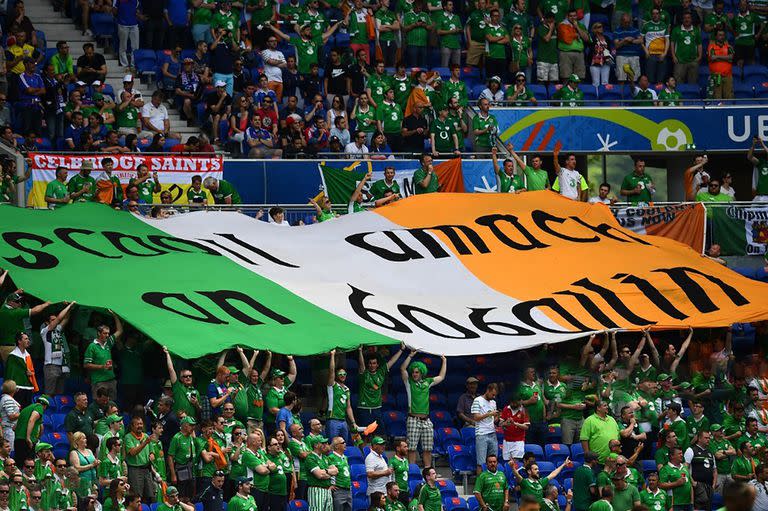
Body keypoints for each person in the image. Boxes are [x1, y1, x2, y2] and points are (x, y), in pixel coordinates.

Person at [400, 349, 447, 467]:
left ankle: (427, 470)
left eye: (416, 372)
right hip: (413, 419)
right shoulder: (409, 383)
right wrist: (410, 355)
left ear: (421, 372)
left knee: (428, 448)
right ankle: (412, 470)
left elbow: (441, 377)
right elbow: (402, 369)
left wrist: (444, 361)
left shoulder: (427, 382)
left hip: (426, 420)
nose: (414, 374)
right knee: (411, 447)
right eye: (413, 372)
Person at [357, 344, 403, 431]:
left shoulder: (381, 373)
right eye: (370, 363)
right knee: (365, 434)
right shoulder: (364, 374)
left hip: (377, 408)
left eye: (374, 363)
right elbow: (361, 364)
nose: (372, 365)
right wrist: (360, 351)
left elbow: (392, 361)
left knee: (379, 434)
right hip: (364, 409)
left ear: (377, 365)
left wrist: (401, 350)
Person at [83, 311, 123, 400]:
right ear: (98, 333)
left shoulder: (108, 342)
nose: (107, 335)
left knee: (112, 406)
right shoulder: (92, 346)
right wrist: (102, 366)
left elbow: (120, 330)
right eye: (105, 333)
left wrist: (115, 315)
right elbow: (86, 365)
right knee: (100, 407)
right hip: (99, 382)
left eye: (108, 333)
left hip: (111, 380)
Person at [472, 384, 499, 474]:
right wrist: (489, 414)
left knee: (493, 461)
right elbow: (475, 417)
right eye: (492, 394)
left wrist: (498, 417)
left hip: (492, 433)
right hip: (481, 434)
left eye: (495, 395)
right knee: (481, 462)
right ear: (488, 390)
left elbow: (493, 419)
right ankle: (479, 486)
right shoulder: (477, 400)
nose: (493, 397)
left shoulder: (493, 402)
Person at [557, 9, 589, 81]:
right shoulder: (562, 25)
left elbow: (586, 38)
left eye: (574, 16)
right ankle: (567, 92)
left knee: (579, 77)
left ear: (577, 16)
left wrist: (577, 27)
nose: (573, 17)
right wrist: (576, 34)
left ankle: (577, 92)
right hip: (566, 53)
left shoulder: (581, 25)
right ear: (567, 17)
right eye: (570, 16)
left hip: (579, 53)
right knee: (566, 77)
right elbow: (566, 38)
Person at [707, 29, 734, 100]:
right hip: (716, 76)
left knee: (729, 97)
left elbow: (731, 58)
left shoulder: (729, 47)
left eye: (723, 35)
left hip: (728, 76)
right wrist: (726, 58)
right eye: (720, 35)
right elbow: (712, 57)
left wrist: (717, 57)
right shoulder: (711, 47)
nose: (721, 37)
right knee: (717, 98)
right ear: (716, 36)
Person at [749, 136, 768, 201]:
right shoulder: (762, 163)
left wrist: (762, 143)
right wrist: (753, 144)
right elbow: (750, 157)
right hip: (759, 196)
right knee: (751, 210)